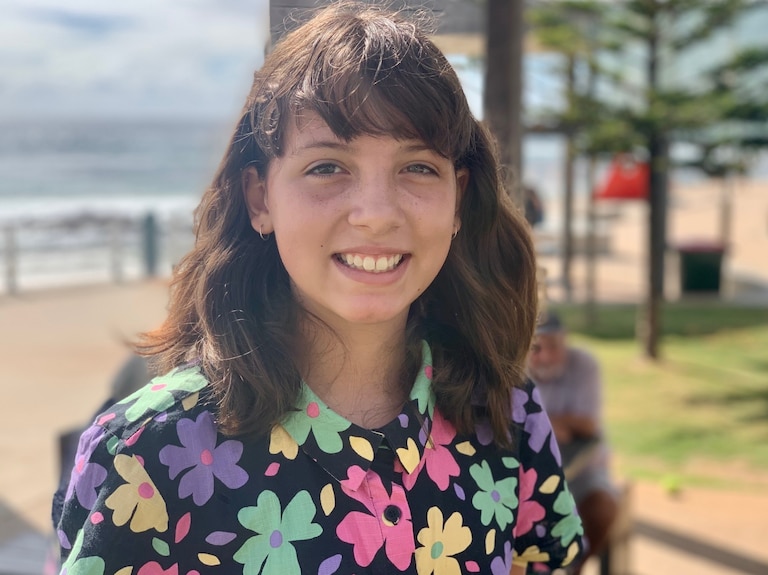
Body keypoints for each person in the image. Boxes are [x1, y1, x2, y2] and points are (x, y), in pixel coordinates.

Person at [53, 4, 585, 574]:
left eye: (418, 168)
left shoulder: (506, 413)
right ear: (260, 198)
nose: (376, 215)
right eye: (327, 167)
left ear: (458, 199)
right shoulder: (148, 454)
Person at [526, 311, 618, 572]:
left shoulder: (584, 364)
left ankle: (576, 568)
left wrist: (541, 423)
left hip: (584, 474)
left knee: (603, 509)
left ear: (565, 341)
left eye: (552, 346)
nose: (543, 356)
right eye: (536, 348)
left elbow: (588, 425)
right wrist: (559, 425)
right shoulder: (517, 369)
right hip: (534, 478)